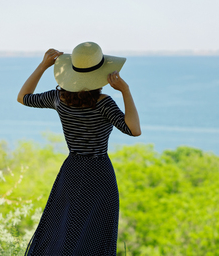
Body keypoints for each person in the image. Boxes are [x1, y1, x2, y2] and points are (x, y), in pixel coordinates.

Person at [17, 42, 141, 256]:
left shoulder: (58, 98)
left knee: (63, 228)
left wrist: (42, 66)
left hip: (72, 171)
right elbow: (134, 129)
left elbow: (23, 97)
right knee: (96, 233)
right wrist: (126, 91)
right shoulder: (103, 103)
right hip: (99, 173)